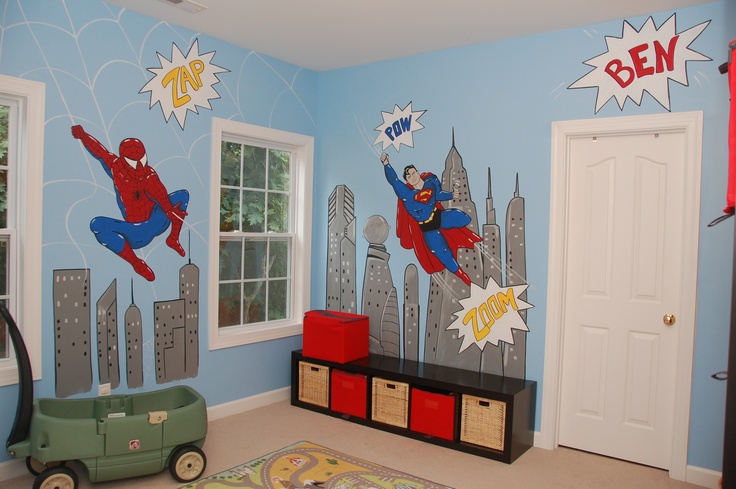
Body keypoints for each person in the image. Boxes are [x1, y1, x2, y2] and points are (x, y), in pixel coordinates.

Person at [71, 125, 189, 281]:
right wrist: (83, 136)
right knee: (97, 224)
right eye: (134, 162)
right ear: (124, 160)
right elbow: (100, 151)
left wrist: (169, 210)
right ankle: (137, 263)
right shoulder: (115, 167)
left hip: (157, 221)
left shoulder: (149, 175)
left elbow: (159, 193)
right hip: (135, 233)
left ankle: (173, 239)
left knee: (182, 195)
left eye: (142, 160)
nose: (140, 166)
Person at [380, 152, 480, 286]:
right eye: (408, 176)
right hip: (428, 228)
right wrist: (386, 164)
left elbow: (438, 195)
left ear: (418, 172)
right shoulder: (406, 193)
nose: (412, 177)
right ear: (407, 180)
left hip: (439, 216)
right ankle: (461, 275)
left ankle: (474, 241)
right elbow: (394, 180)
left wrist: (451, 194)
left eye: (413, 173)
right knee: (443, 254)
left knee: (463, 218)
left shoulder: (431, 182)